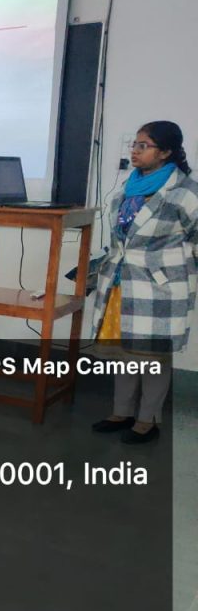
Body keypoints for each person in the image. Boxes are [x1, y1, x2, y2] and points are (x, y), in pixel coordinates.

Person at [91, 121, 198, 443]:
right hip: (122, 283)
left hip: (161, 289)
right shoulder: (130, 186)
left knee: (153, 358)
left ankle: (147, 421)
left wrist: (175, 269)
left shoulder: (185, 192)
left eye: (143, 146)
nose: (135, 151)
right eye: (134, 145)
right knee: (125, 353)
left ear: (165, 152)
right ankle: (121, 412)